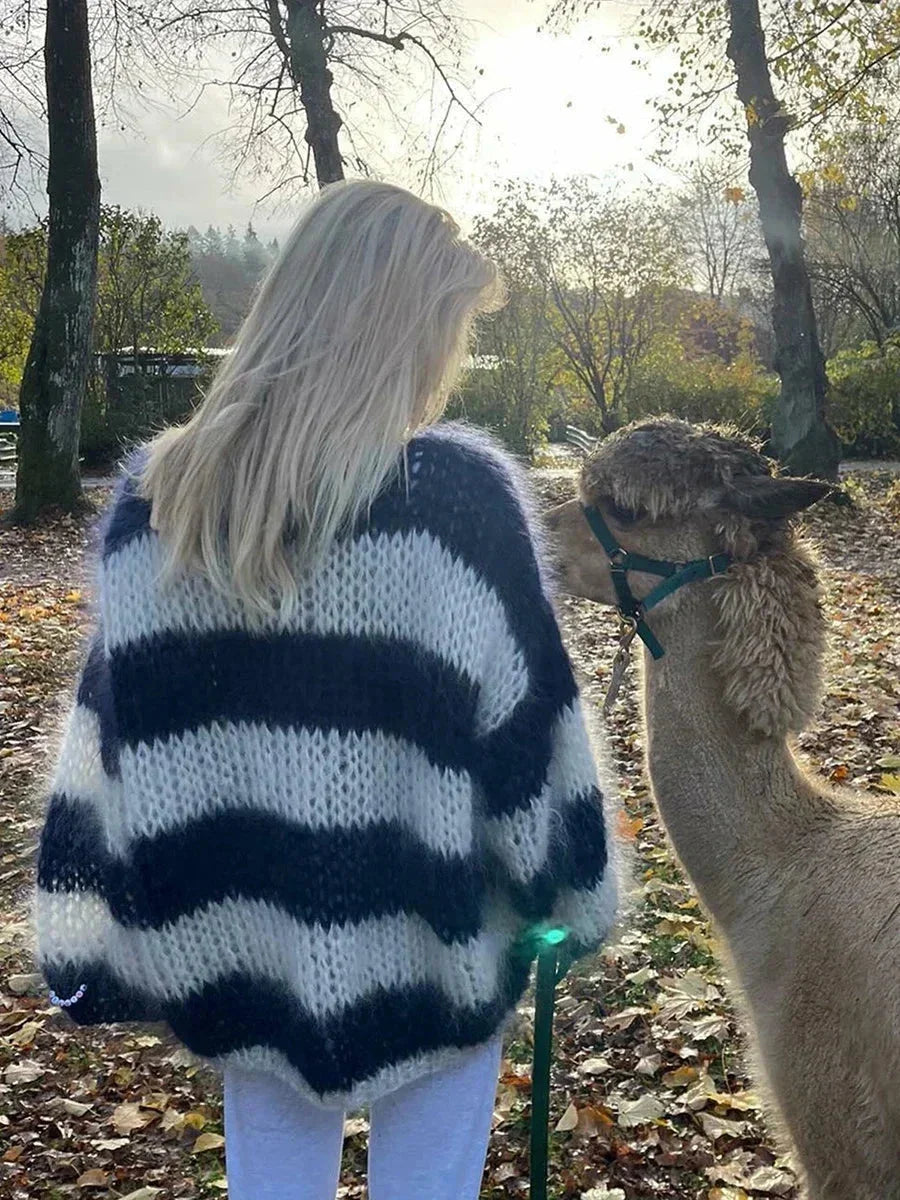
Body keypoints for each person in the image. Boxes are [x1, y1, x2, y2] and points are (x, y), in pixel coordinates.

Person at [34, 180, 617, 1200]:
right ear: (403, 327)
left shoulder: (161, 504)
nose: (446, 365)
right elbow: (530, 739)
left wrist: (87, 923)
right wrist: (566, 895)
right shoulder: (456, 504)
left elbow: (110, 744)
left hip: (244, 950)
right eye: (448, 332)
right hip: (437, 945)